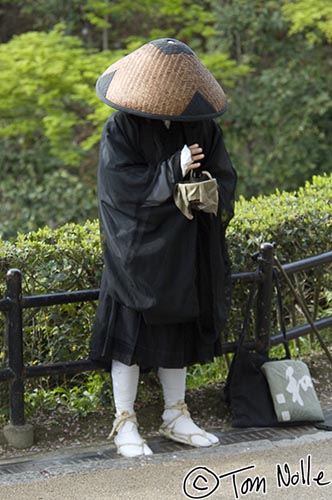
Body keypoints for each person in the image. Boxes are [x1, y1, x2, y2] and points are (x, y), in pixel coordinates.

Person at [89, 38, 237, 458]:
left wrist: (204, 189)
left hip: (185, 247)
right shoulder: (122, 127)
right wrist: (174, 167)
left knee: (179, 333)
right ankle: (124, 421)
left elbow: (224, 177)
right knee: (129, 337)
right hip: (136, 250)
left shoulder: (202, 124)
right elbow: (120, 187)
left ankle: (176, 415)